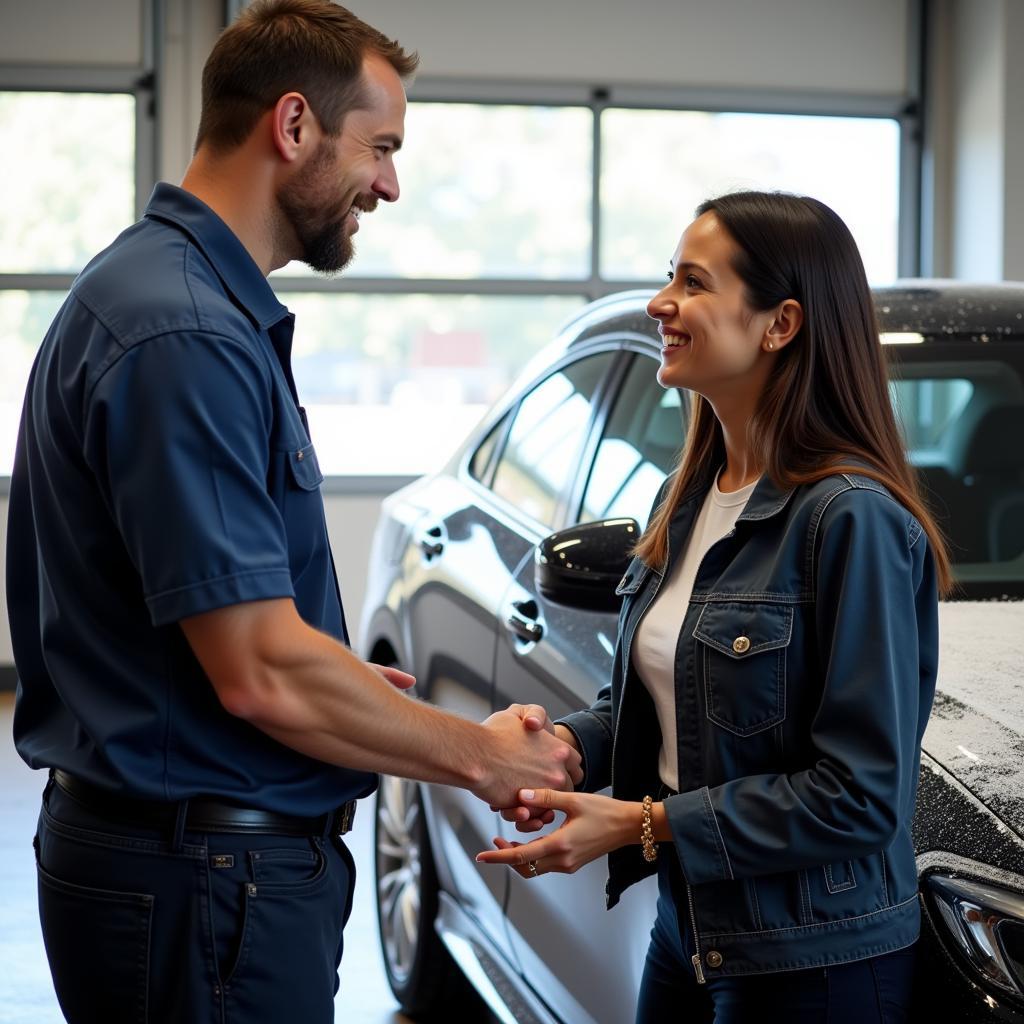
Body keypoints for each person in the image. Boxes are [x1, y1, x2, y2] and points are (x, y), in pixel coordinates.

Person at [6, 2, 580, 1021]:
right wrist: (481, 754)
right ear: (293, 125)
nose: (391, 185)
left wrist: (344, 683)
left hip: (194, 864)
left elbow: (202, 628)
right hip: (204, 882)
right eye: (382, 146)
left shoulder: (168, 298)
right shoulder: (182, 333)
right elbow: (260, 670)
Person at [477, 190, 950, 1023]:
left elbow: (862, 797)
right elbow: (664, 705)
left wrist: (641, 825)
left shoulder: (851, 521)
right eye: (670, 277)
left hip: (815, 959)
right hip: (693, 929)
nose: (662, 302)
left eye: (693, 283)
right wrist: (563, 750)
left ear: (781, 324)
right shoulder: (688, 495)